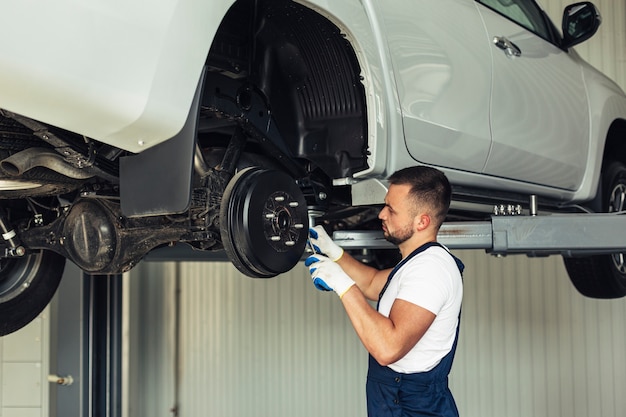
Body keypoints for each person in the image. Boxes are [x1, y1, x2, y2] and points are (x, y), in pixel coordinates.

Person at [305, 166, 464, 417]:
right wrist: (333, 252)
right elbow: (371, 283)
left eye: (391, 209)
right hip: (397, 402)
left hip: (413, 409)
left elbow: (387, 348)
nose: (381, 214)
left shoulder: (431, 270)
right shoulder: (417, 263)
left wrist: (343, 286)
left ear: (422, 221)